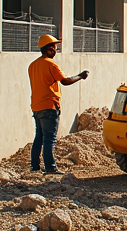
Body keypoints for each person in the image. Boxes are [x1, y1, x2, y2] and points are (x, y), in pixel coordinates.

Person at [28, 34, 89, 174]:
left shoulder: (32, 65)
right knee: (49, 138)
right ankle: (50, 168)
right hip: (49, 105)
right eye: (54, 48)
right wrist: (80, 76)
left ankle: (35, 166)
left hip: (36, 106)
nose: (56, 50)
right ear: (49, 49)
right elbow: (65, 81)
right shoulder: (51, 64)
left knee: (39, 137)